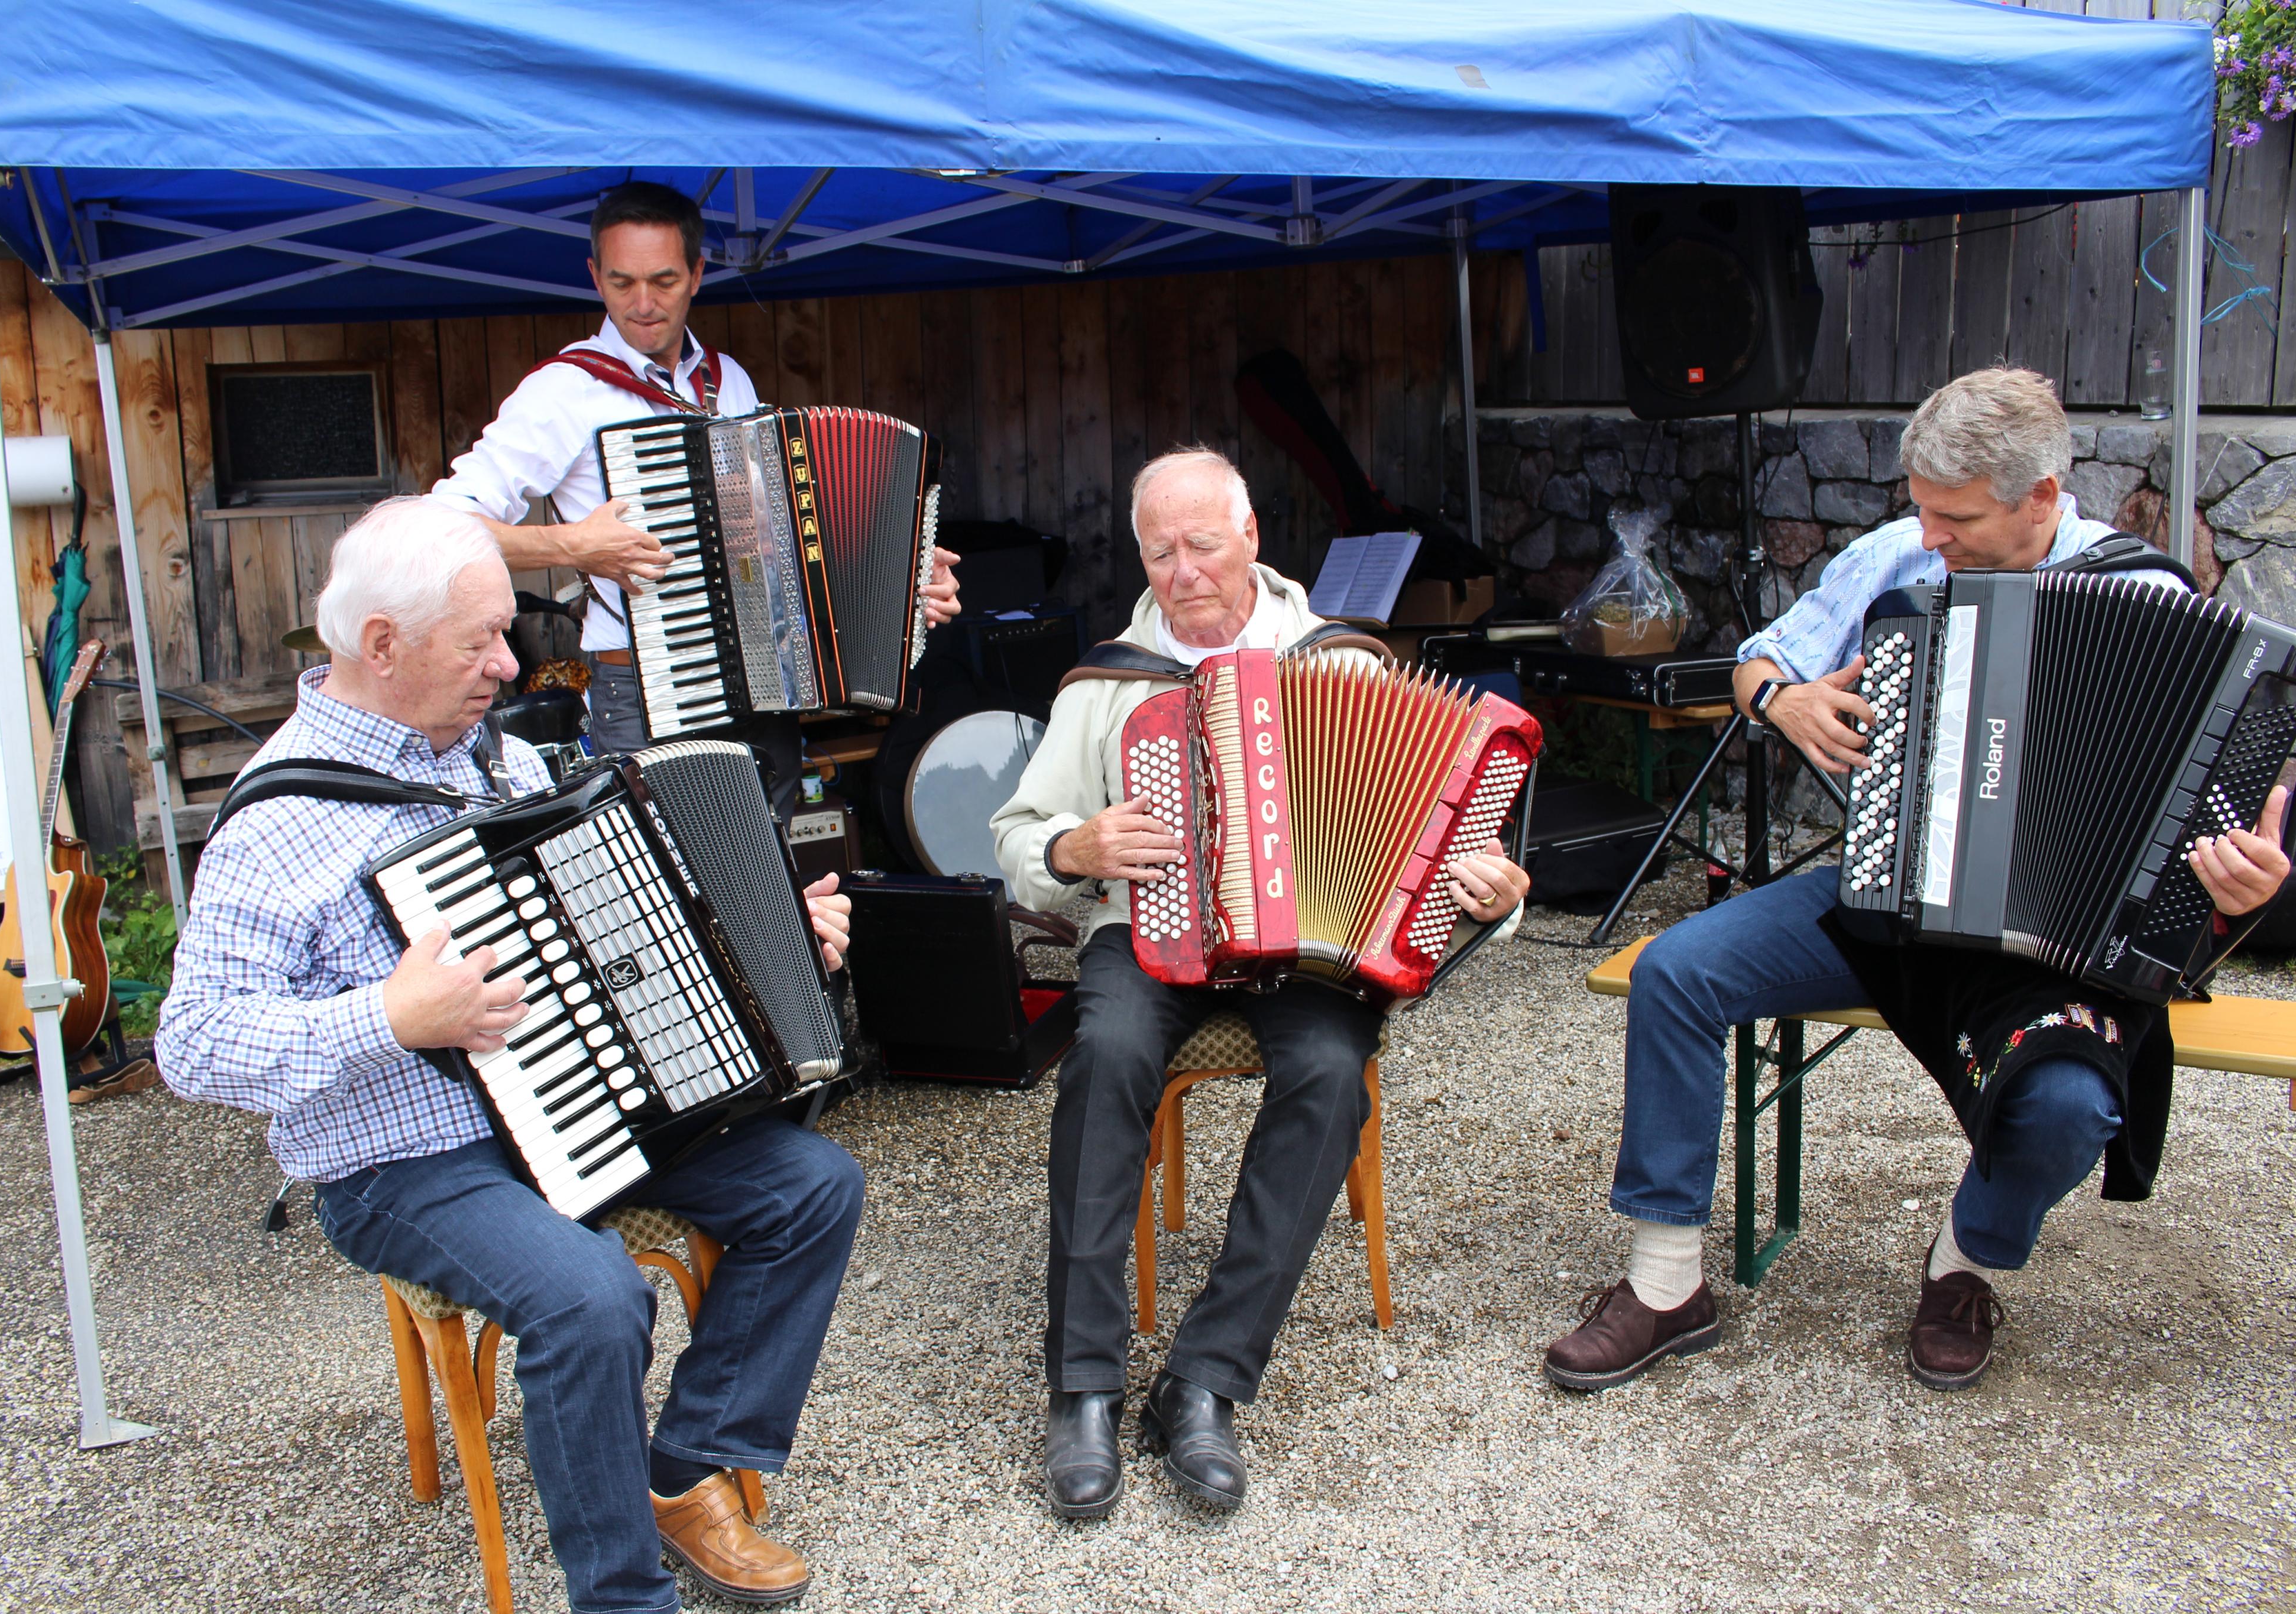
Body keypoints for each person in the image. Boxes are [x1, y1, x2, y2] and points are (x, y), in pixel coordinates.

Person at [157, 498, 863, 1611]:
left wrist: (773, 935)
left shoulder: (510, 764)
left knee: (813, 1187)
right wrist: (388, 1016)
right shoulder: (277, 824)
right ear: (382, 644)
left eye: (505, 633)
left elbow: (626, 938)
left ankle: (685, 1473)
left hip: (579, 1105)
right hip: (406, 1162)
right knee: (593, 1297)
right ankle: (621, 1597)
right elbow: (192, 1045)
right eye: (480, 639)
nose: (508, 664)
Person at [1543, 368, 2295, 1395]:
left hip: (2049, 955)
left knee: (2070, 1108)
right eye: (1924, 511)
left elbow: (2205, 858)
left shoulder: (2151, 602)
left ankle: (1963, 1261)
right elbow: (1758, 663)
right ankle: (1667, 1283)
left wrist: (2242, 888)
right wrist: (1781, 702)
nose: (1930, 538)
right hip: (1887, 895)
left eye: (1958, 519)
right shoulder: (1898, 553)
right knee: (1677, 972)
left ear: (2041, 496)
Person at [991, 448, 1531, 1518]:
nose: (1183, 571)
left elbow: (1440, 849)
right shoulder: (1109, 680)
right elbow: (1016, 834)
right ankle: (1085, 1384)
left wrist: (1495, 893)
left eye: (1202, 545)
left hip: (1310, 951)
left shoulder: (1344, 665)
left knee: (1332, 1071)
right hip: (1145, 930)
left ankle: (1205, 1379)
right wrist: (1072, 848)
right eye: (1160, 552)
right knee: (1106, 1056)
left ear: (1250, 537)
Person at [429, 179, 961, 802]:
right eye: (622, 282)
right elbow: (440, 528)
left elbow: (781, 541)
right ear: (595, 277)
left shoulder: (726, 380)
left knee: (770, 862)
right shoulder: (562, 392)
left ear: (697, 274)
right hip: (644, 692)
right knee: (670, 866)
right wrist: (572, 546)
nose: (643, 303)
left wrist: (898, 576)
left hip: (761, 692)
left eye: (664, 281)